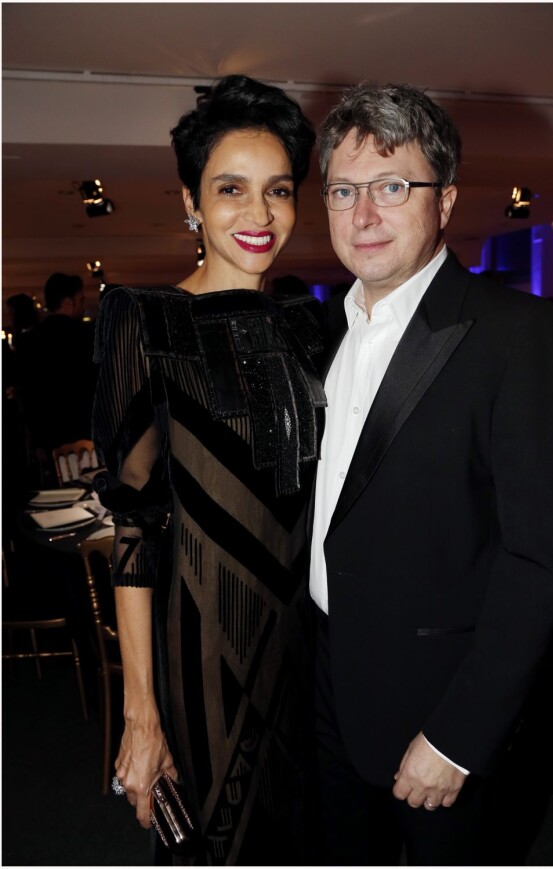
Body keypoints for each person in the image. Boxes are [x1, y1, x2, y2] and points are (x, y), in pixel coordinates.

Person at [309, 82, 553, 866]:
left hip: (441, 710)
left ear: (447, 200)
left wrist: (459, 737)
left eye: (393, 187)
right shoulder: (322, 331)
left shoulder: (516, 334)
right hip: (327, 689)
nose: (364, 215)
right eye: (344, 190)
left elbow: (541, 560)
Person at [91, 75, 325, 865]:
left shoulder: (308, 324)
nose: (259, 215)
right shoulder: (144, 321)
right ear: (191, 199)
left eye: (279, 191)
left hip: (309, 647)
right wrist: (140, 712)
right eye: (231, 189)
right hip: (201, 653)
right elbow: (135, 524)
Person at [16, 273, 95, 480]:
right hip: (88, 438)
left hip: (49, 438)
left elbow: (27, 395)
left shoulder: (28, 342)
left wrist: (38, 442)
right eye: (81, 300)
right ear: (68, 302)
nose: (82, 305)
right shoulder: (87, 337)